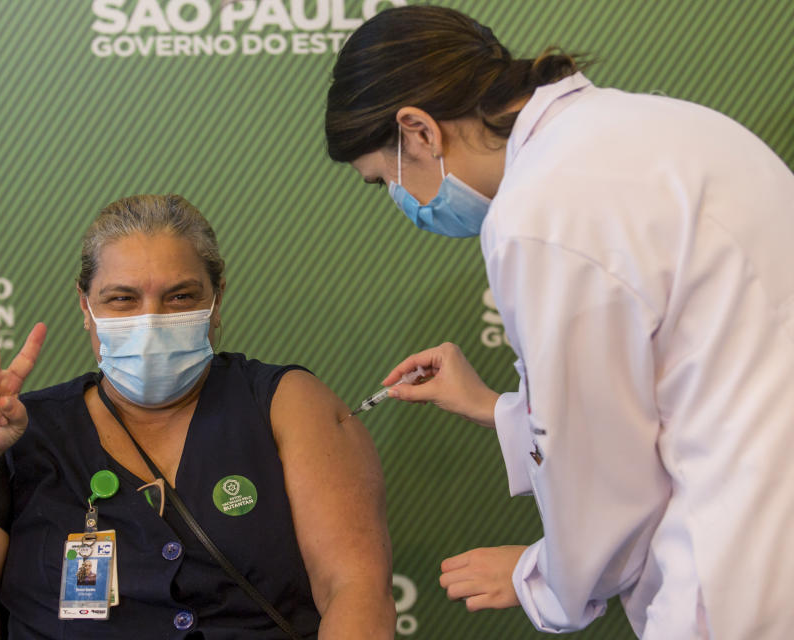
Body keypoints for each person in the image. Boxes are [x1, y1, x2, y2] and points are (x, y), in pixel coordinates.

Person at [324, 5, 794, 639]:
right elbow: (678, 381)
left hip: (747, 567)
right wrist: (498, 408)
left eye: (386, 182)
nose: (405, 205)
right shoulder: (657, 126)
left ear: (418, 131)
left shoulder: (538, 213)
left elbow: (607, 490)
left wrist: (541, 578)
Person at [0, 194, 395, 639]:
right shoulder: (26, 432)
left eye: (180, 297)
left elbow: (355, 592)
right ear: (85, 307)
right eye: (122, 299)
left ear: (216, 302)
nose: (151, 321)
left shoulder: (286, 404)